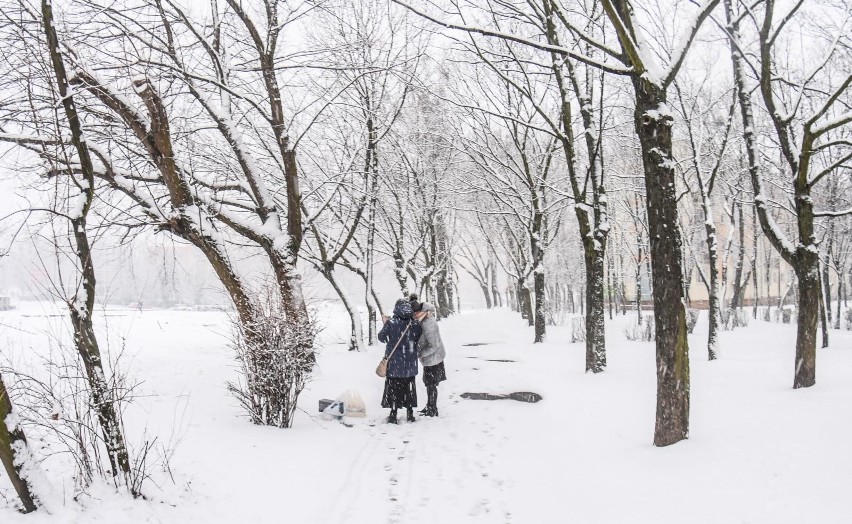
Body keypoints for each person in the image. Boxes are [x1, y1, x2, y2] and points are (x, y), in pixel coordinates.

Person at [378, 299, 422, 424]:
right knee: (409, 388)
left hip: (395, 363)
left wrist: (386, 324)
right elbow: (418, 337)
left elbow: (382, 337)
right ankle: (410, 413)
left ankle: (393, 414)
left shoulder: (391, 323)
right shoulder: (414, 323)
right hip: (410, 363)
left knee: (393, 388)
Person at [410, 296, 446, 417]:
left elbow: (434, 345)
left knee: (431, 384)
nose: (413, 317)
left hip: (433, 358)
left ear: (418, 312)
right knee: (429, 384)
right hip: (432, 358)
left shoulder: (427, 323)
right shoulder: (426, 318)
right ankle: (430, 406)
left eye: (414, 314)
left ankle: (432, 409)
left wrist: (421, 354)